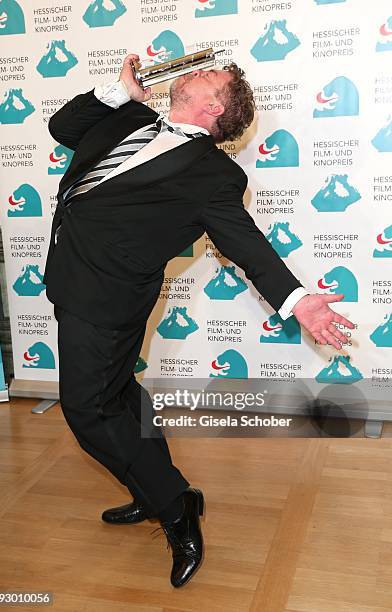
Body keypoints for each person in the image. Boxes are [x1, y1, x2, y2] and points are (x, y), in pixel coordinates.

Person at [44, 54, 354, 588]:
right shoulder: (131, 116)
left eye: (213, 74)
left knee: (88, 408)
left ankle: (174, 506)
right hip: (71, 274)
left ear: (214, 106)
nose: (194, 68)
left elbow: (245, 243)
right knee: (117, 393)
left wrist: (298, 301)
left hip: (110, 298)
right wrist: (119, 91)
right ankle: (155, 490)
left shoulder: (213, 174)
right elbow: (62, 127)